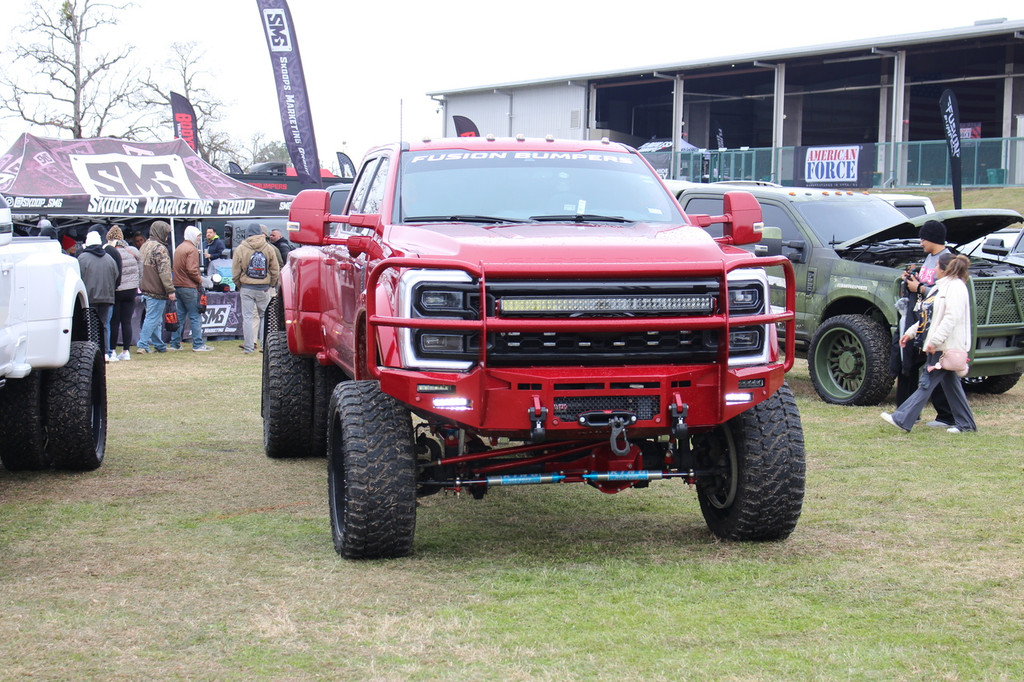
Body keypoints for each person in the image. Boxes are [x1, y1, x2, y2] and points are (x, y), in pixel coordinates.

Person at [882, 252, 977, 434]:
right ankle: (966, 424)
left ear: (944, 269)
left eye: (936, 266)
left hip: (945, 346)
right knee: (951, 384)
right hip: (942, 345)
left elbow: (950, 318)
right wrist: (910, 333)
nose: (934, 270)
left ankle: (903, 418)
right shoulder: (942, 287)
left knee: (926, 382)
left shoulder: (955, 288)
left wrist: (935, 340)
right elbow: (929, 316)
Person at [893, 219, 955, 428]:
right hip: (920, 319)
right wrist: (912, 280)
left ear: (933, 238)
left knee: (935, 369)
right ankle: (908, 411)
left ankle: (946, 416)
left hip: (934, 321)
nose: (920, 243)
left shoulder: (947, 260)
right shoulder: (929, 258)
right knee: (911, 364)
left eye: (923, 238)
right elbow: (926, 284)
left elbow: (943, 293)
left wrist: (918, 288)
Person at [232, 222, 280, 354]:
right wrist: (270, 284)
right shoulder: (268, 247)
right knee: (265, 317)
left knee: (247, 317)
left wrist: (239, 284)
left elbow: (235, 270)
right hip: (263, 287)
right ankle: (265, 346)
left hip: (246, 287)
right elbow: (275, 269)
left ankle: (248, 347)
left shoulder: (241, 248)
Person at [170, 225, 214, 352]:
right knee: (195, 316)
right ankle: (198, 344)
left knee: (181, 316)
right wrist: (201, 281)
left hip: (178, 285)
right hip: (189, 286)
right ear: (192, 236)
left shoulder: (179, 248)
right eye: (198, 236)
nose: (199, 239)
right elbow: (192, 269)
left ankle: (175, 343)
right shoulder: (192, 249)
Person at [77, 231, 120, 361]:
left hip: (89, 297)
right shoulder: (109, 259)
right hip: (107, 297)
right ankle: (106, 352)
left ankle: (91, 352)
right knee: (104, 325)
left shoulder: (82, 259)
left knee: (90, 326)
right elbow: (116, 277)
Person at [137, 220, 177, 354]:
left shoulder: (144, 246)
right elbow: (164, 272)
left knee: (155, 319)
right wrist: (170, 290)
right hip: (156, 289)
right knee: (153, 318)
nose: (167, 237)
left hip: (145, 288)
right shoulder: (160, 249)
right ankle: (142, 344)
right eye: (166, 234)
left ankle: (159, 345)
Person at [107, 226, 141, 361]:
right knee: (127, 321)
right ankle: (126, 351)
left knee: (114, 321)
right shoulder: (133, 252)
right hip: (131, 290)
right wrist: (138, 284)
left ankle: (112, 350)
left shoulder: (110, 252)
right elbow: (140, 271)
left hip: (117, 289)